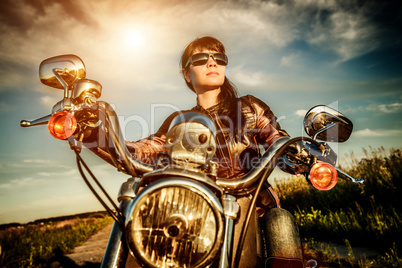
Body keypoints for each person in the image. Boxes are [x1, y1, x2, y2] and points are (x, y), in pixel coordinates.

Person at [89, 36, 303, 267]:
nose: (212, 63)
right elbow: (144, 150)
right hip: (195, 212)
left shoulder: (249, 107)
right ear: (186, 73)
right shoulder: (179, 121)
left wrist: (298, 156)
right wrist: (92, 135)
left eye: (219, 58)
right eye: (201, 58)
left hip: (250, 206)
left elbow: (276, 138)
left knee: (281, 221)